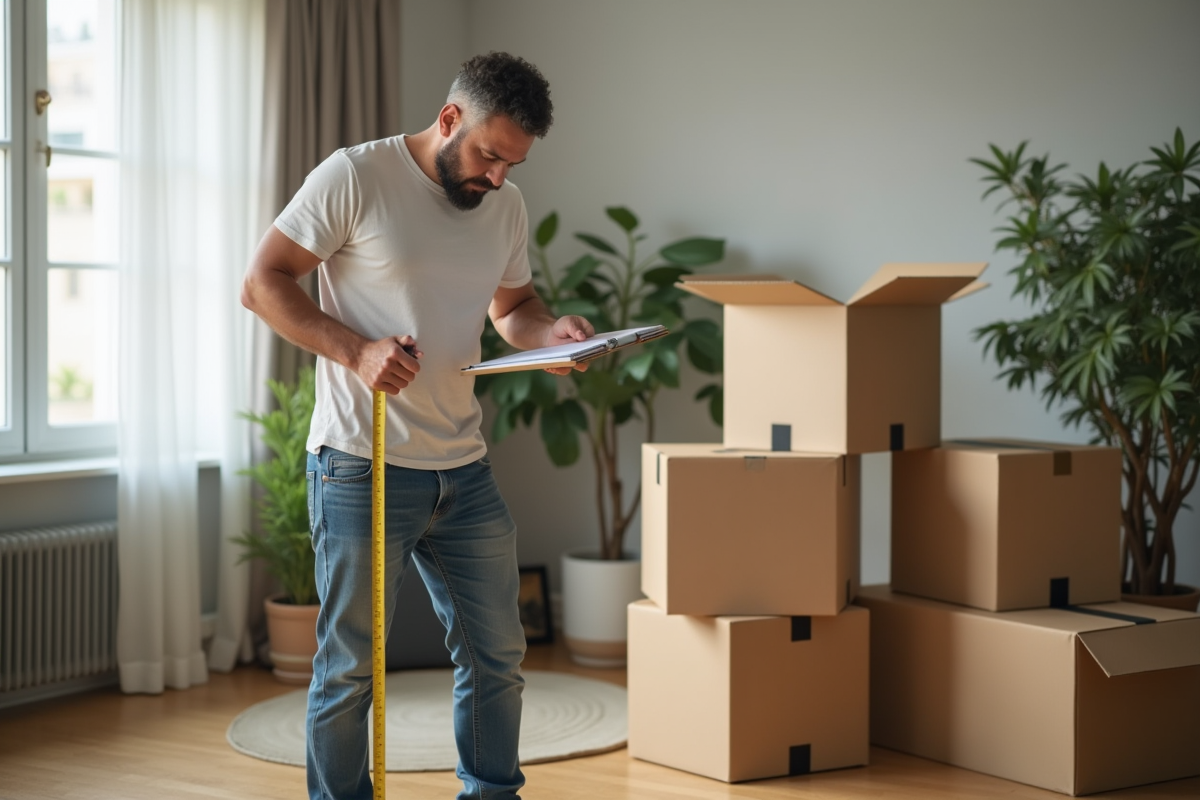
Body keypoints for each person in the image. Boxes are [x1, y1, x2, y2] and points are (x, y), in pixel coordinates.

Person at [241, 52, 592, 800]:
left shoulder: (505, 203)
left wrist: (550, 335)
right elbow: (262, 282)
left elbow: (513, 309)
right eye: (490, 155)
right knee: (349, 669)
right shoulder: (356, 176)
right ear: (450, 118)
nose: (498, 175)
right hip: (360, 463)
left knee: (497, 656)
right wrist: (356, 351)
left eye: (514, 163)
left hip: (463, 465)